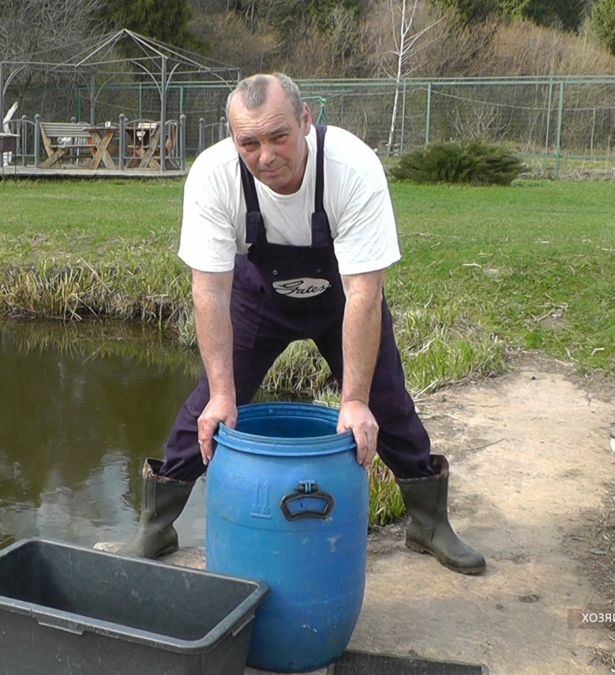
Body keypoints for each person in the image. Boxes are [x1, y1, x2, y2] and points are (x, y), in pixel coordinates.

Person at [120, 73, 485, 575]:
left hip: (342, 300)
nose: (265, 156)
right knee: (209, 405)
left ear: (306, 121)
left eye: (278, 137)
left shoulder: (352, 168)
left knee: (387, 402)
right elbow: (209, 290)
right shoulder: (212, 176)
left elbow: (364, 292)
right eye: (249, 142)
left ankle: (428, 522)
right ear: (233, 140)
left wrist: (354, 400)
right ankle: (156, 524)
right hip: (258, 300)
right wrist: (225, 392)